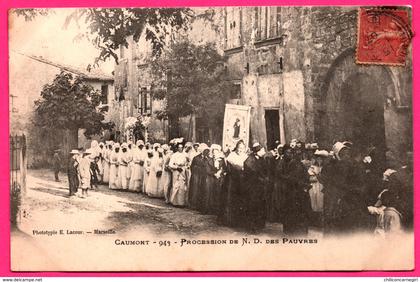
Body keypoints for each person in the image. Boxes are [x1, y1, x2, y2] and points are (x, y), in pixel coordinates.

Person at [280, 144, 311, 235]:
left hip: (299, 190)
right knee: (291, 210)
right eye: (288, 152)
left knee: (300, 210)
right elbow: (281, 176)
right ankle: (291, 230)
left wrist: (305, 184)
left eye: (292, 152)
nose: (291, 154)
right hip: (290, 190)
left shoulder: (299, 164)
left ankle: (300, 231)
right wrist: (294, 181)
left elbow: (306, 175)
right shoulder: (283, 163)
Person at [219, 139, 248, 228]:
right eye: (239, 148)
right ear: (236, 147)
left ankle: (240, 221)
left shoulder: (245, 156)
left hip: (242, 180)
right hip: (232, 180)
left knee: (241, 199)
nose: (240, 150)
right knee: (230, 199)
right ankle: (229, 220)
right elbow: (230, 168)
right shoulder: (232, 155)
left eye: (242, 148)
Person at [243, 143, 269, 233]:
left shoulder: (262, 159)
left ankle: (259, 225)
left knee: (260, 205)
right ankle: (252, 227)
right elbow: (251, 174)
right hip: (252, 187)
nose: (264, 152)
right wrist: (262, 179)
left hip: (260, 187)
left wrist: (265, 178)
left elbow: (264, 171)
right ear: (257, 151)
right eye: (263, 150)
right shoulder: (249, 160)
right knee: (252, 206)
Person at [307, 149, 329, 227]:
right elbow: (310, 178)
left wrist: (320, 176)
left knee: (321, 201)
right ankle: (314, 221)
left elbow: (325, 178)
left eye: (321, 159)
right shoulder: (312, 167)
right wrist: (317, 176)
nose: (319, 160)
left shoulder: (325, 168)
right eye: (318, 158)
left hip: (321, 186)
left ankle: (320, 221)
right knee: (314, 201)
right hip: (314, 186)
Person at [206, 144, 226, 215]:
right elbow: (207, 170)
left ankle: (218, 209)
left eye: (216, 152)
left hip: (220, 179)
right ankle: (211, 209)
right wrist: (214, 174)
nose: (215, 154)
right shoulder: (209, 160)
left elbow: (225, 168)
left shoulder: (222, 160)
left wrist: (221, 172)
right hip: (211, 178)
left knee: (219, 193)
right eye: (213, 152)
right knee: (211, 193)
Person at [188, 143, 209, 211]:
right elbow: (192, 167)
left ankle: (200, 205)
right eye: (204, 151)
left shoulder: (208, 158)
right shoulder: (196, 158)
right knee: (195, 189)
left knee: (202, 189)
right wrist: (198, 169)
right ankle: (193, 204)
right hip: (196, 175)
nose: (206, 152)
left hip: (204, 176)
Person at [169, 142, 189, 207]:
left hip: (183, 171)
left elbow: (188, 163)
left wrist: (185, 167)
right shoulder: (174, 155)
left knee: (182, 186)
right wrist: (177, 168)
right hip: (176, 171)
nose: (180, 149)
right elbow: (170, 164)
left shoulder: (185, 155)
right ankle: (175, 202)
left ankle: (181, 202)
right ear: (177, 148)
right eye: (179, 147)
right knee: (175, 185)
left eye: (182, 147)